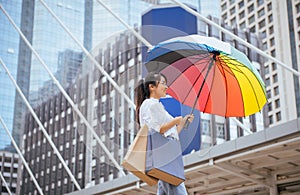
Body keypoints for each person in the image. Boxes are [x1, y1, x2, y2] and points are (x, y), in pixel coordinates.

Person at [135, 71, 194, 195]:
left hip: (166, 154)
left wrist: (182, 123)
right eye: (163, 83)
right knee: (178, 189)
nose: (166, 87)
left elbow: (170, 134)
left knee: (166, 189)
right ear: (152, 87)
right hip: (165, 156)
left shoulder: (155, 105)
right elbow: (158, 129)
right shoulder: (151, 104)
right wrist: (175, 120)